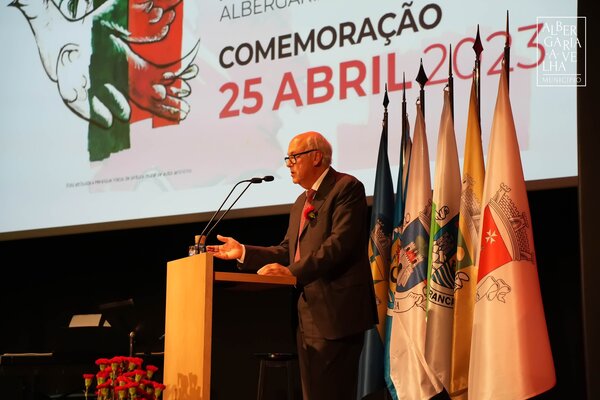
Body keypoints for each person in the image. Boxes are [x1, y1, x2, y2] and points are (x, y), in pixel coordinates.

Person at [207, 130, 378, 400]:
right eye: (287, 159)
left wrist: (291, 272)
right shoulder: (301, 202)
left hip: (337, 311)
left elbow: (338, 245)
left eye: (294, 157)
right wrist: (243, 252)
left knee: (332, 393)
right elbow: (288, 250)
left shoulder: (346, 188)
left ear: (317, 157)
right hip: (306, 312)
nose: (288, 165)